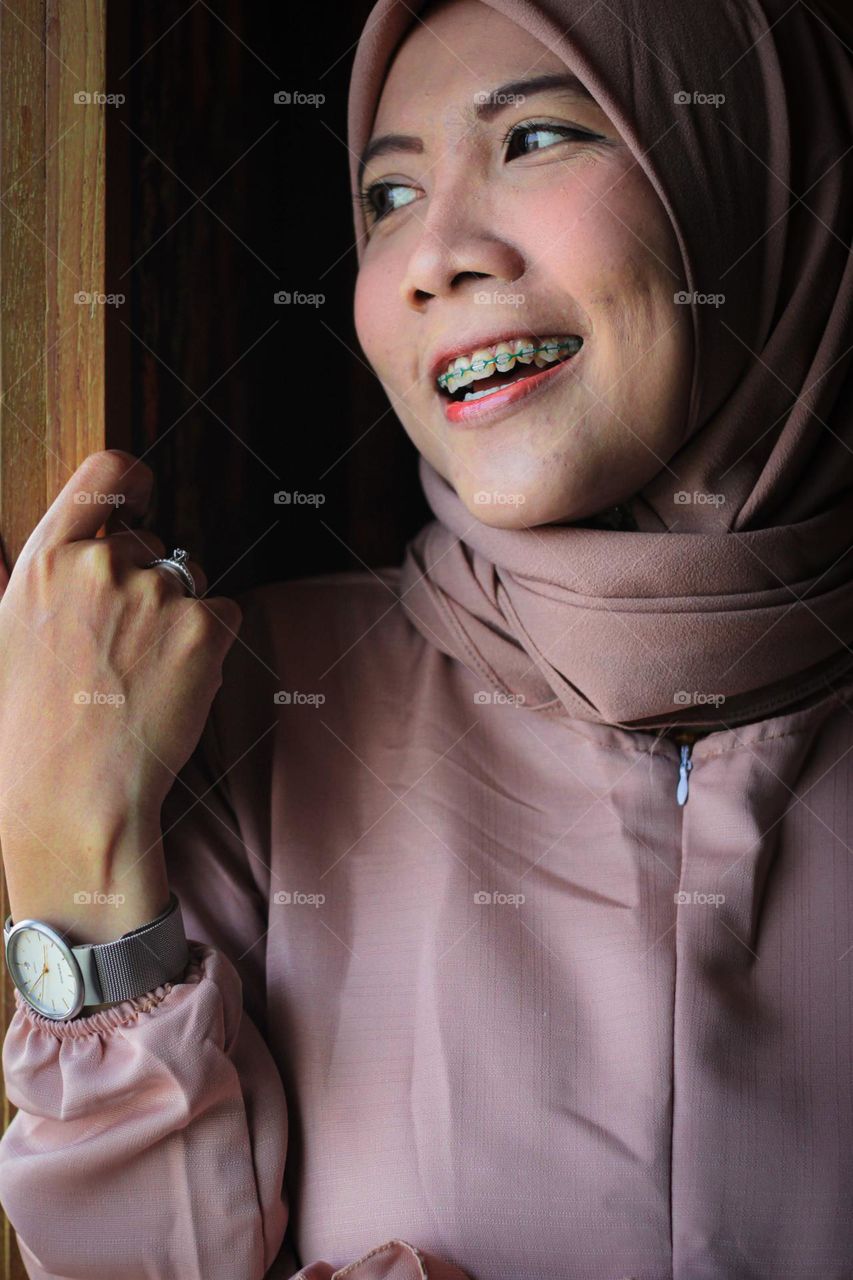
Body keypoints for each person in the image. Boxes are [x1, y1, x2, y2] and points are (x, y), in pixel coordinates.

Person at [0, 0, 852, 1275]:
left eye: (536, 140)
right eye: (386, 195)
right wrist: (73, 861)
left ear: (751, 179)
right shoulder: (259, 704)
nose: (430, 255)